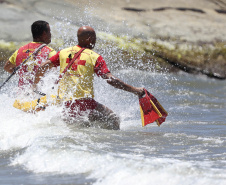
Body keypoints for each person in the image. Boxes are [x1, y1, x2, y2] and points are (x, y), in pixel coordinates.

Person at [34, 26, 144, 130]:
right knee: (114, 120)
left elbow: (42, 67)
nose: (95, 41)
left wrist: (35, 87)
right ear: (89, 39)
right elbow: (110, 80)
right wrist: (134, 90)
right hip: (85, 104)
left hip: (66, 106)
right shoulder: (94, 56)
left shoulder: (63, 53)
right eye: (95, 38)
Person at [4, 20, 56, 97]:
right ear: (44, 33)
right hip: (40, 98)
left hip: (22, 97)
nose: (50, 34)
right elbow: (57, 74)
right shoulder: (50, 52)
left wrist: (22, 74)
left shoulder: (19, 50)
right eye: (49, 32)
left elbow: (7, 68)